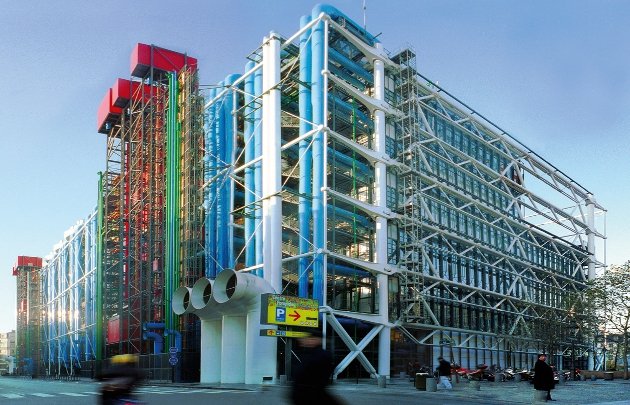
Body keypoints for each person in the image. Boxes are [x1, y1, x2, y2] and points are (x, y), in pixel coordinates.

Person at [291, 330, 342, 405]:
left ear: (318, 340)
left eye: (312, 339)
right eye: (309, 339)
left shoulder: (321, 355)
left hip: (311, 393)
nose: (309, 341)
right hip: (306, 393)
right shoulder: (308, 353)